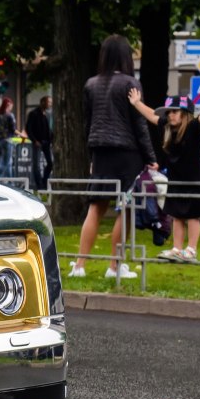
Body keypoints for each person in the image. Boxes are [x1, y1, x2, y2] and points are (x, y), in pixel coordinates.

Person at [73, 35, 157, 279]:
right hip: (127, 155)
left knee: (95, 209)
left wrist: (91, 156)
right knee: (126, 209)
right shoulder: (131, 83)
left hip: (100, 152)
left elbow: (88, 124)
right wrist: (150, 157)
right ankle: (114, 265)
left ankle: (79, 266)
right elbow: (139, 125)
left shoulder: (91, 84)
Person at [129, 91, 200, 262]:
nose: (171, 115)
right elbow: (152, 116)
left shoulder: (192, 128)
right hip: (176, 178)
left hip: (195, 179)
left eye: (175, 111)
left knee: (192, 215)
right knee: (177, 214)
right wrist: (137, 103)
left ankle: (191, 250)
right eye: (169, 112)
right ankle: (177, 248)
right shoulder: (167, 128)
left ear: (185, 114)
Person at [25, 96, 54, 191]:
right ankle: (39, 185)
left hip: (46, 142)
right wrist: (34, 140)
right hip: (37, 142)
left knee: (50, 163)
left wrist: (51, 140)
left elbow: (49, 129)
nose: (50, 104)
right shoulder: (33, 113)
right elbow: (28, 128)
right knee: (36, 164)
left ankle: (44, 181)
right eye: (48, 102)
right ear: (42, 102)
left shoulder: (48, 114)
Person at [0, 97, 18, 178]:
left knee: (8, 162)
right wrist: (21, 134)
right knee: (5, 163)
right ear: (8, 105)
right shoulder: (10, 115)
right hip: (7, 140)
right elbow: (13, 129)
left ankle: (10, 182)